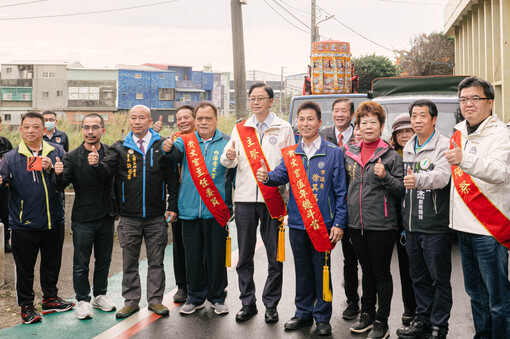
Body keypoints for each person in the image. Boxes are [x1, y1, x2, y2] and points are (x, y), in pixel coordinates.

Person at [257, 101, 347, 336]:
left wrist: (339, 222)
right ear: (297, 123)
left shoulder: (333, 153)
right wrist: (266, 176)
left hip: (323, 224)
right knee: (303, 270)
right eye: (301, 119)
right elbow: (278, 176)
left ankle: (323, 316)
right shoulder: (291, 154)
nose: (305, 123)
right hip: (297, 223)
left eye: (310, 119)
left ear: (319, 122)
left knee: (322, 269)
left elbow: (340, 192)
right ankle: (303, 313)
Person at [89, 104, 179, 319]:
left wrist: (172, 206)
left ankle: (156, 301)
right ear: (128, 121)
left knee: (156, 262)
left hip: (156, 216)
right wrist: (95, 164)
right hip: (128, 217)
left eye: (142, 118)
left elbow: (173, 179)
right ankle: (131, 301)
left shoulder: (161, 145)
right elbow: (106, 173)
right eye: (133, 118)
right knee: (129, 262)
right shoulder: (119, 148)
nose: (137, 121)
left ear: (150, 122)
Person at [220, 83, 295, 323]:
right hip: (243, 200)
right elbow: (227, 160)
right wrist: (229, 157)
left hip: (272, 199)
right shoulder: (240, 128)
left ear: (271, 101)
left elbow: (290, 164)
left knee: (275, 257)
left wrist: (286, 197)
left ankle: (271, 305)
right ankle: (247, 302)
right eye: (252, 98)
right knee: (244, 256)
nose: (255, 102)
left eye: (260, 98)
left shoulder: (283, 128)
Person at [445, 76, 510, 339]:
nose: (468, 104)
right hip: (463, 227)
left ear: (490, 102)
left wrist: (465, 159)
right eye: (463, 99)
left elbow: (500, 172)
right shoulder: (459, 130)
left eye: (475, 98)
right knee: (475, 294)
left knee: (498, 299)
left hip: (489, 229)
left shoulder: (501, 133)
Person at [0, 112, 73, 324]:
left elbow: (66, 182)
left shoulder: (58, 151)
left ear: (44, 129)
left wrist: (56, 172)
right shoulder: (11, 158)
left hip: (54, 221)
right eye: (27, 127)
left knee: (52, 264)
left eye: (35, 127)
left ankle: (50, 299)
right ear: (21, 130)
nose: (31, 130)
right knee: (25, 269)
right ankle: (26, 306)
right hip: (24, 226)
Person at [162, 102, 234, 315]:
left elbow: (235, 174)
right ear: (195, 120)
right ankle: (195, 297)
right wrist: (167, 149)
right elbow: (174, 155)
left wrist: (230, 206)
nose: (203, 122)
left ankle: (217, 297)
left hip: (216, 210)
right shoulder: (185, 142)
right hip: (189, 210)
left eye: (208, 118)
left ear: (216, 120)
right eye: (200, 118)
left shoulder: (228, 142)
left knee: (216, 256)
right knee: (192, 256)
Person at [344, 101, 405, 339]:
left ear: (381, 126)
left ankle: (382, 321)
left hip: (382, 224)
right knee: (366, 270)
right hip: (356, 224)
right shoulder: (349, 154)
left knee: (381, 273)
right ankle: (367, 315)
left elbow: (401, 189)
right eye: (363, 122)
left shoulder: (390, 156)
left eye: (373, 122)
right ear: (357, 126)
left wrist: (386, 176)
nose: (368, 126)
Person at [396, 100, 452, 339]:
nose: (417, 120)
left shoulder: (444, 145)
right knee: (418, 278)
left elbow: (443, 177)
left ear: (434, 119)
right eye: (414, 116)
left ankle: (440, 325)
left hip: (435, 225)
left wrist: (419, 179)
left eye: (422, 116)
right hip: (412, 225)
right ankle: (423, 321)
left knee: (439, 279)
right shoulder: (408, 146)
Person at [54, 114, 118, 320]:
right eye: (86, 127)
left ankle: (100, 295)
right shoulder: (71, 156)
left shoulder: (111, 153)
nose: (90, 131)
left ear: (103, 131)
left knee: (104, 259)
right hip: (83, 217)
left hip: (107, 214)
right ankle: (82, 299)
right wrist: (57, 173)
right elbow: (61, 185)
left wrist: (97, 164)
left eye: (95, 127)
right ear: (81, 130)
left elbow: (109, 177)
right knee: (81, 262)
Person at [320, 98, 360, 320]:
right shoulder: (323, 134)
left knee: (354, 256)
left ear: (352, 115)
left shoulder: (361, 134)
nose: (340, 114)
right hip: (329, 204)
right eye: (336, 111)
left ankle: (358, 302)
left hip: (354, 202)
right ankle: (351, 299)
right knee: (336, 257)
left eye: (344, 111)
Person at [389, 113, 417, 326]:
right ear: (394, 135)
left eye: (409, 130)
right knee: (406, 268)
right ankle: (410, 308)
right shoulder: (390, 155)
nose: (405, 135)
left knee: (424, 269)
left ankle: (426, 311)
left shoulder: (420, 153)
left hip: (423, 217)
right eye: (401, 132)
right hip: (399, 221)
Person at [0, 115, 13, 253]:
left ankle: (5, 242)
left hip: (3, 188)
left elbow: (13, 164)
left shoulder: (6, 143)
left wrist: (8, 180)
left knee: (5, 216)